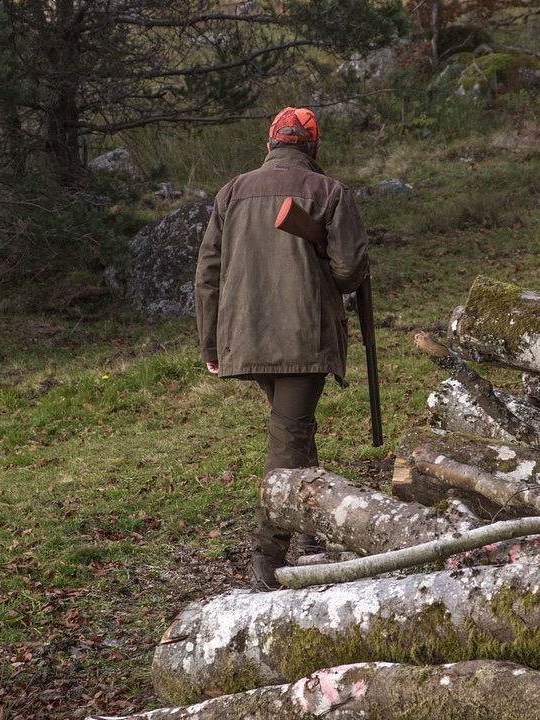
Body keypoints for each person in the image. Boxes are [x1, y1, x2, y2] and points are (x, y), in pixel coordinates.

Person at [195, 107, 370, 590]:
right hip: (302, 335)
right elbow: (349, 271)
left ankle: (309, 529)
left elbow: (208, 271)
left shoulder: (231, 191)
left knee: (293, 428)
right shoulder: (331, 192)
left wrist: (212, 343)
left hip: (246, 337)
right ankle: (266, 557)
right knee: (288, 441)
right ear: (313, 147)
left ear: (270, 142)